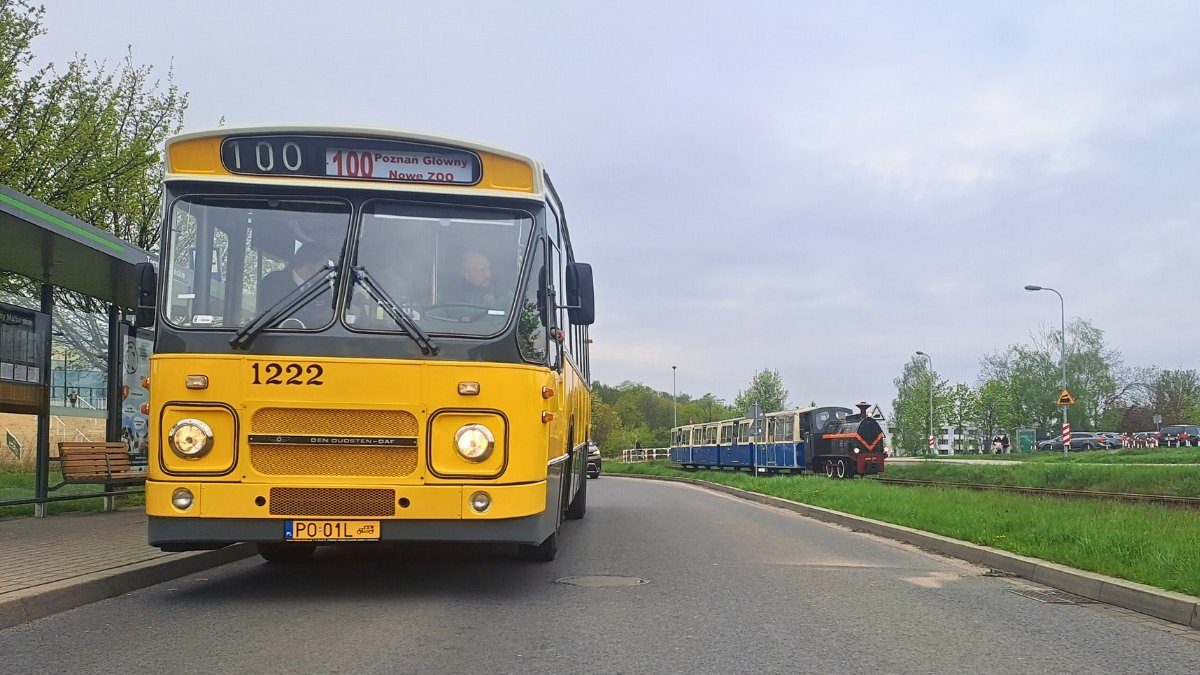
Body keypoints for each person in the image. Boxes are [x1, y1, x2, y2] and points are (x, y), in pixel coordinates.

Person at [258, 244, 331, 325]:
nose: (328, 271)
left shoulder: (323, 287)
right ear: (309, 266)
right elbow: (269, 315)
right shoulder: (274, 282)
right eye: (326, 267)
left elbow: (327, 318)